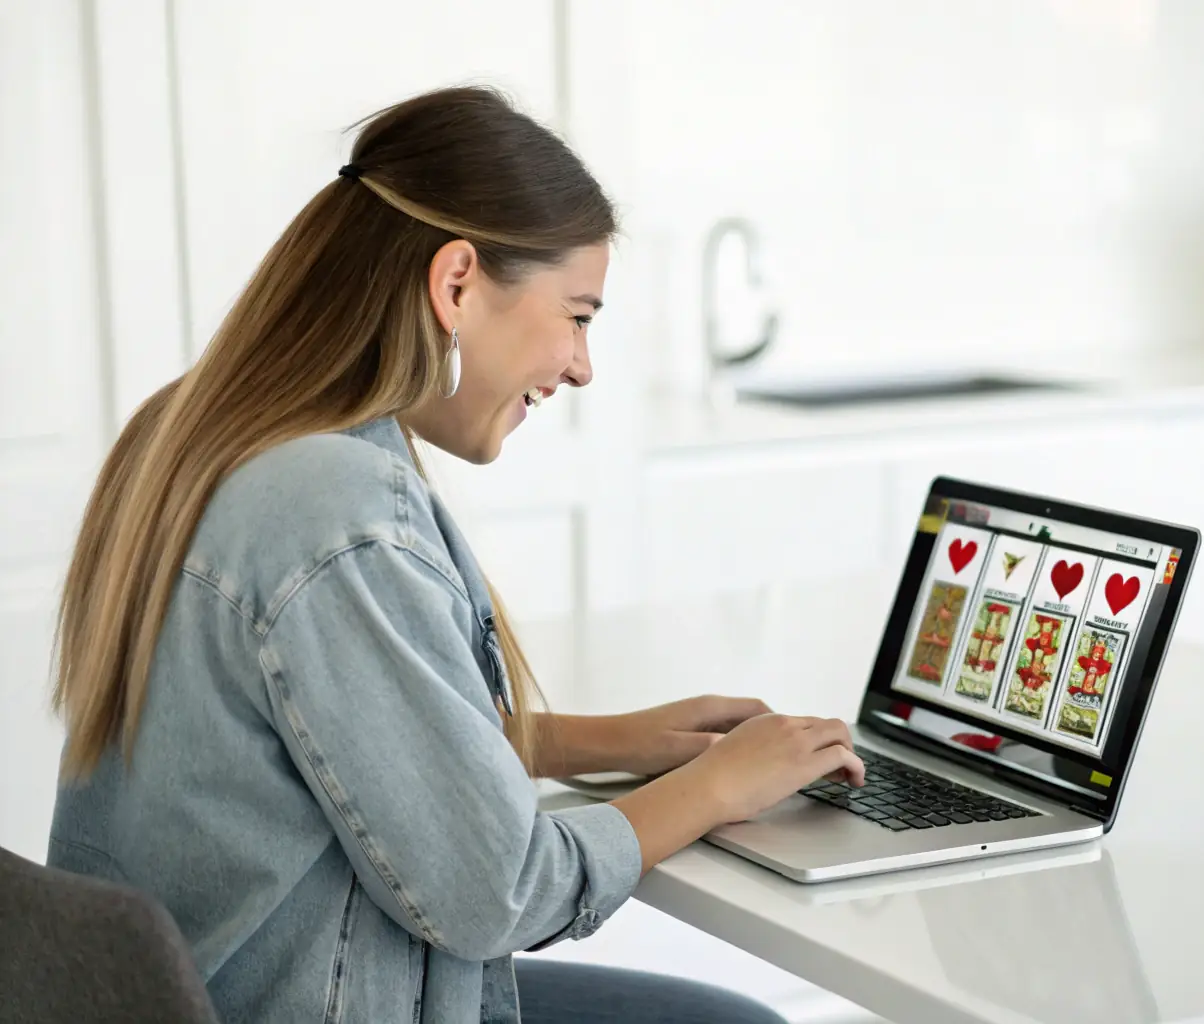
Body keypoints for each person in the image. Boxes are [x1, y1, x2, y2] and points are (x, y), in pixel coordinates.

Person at [45, 86, 864, 1023]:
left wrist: (607, 740)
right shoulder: (334, 509)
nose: (582, 364)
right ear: (457, 284)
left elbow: (336, 742)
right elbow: (498, 891)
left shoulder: (195, 434)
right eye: (579, 314)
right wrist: (718, 786)